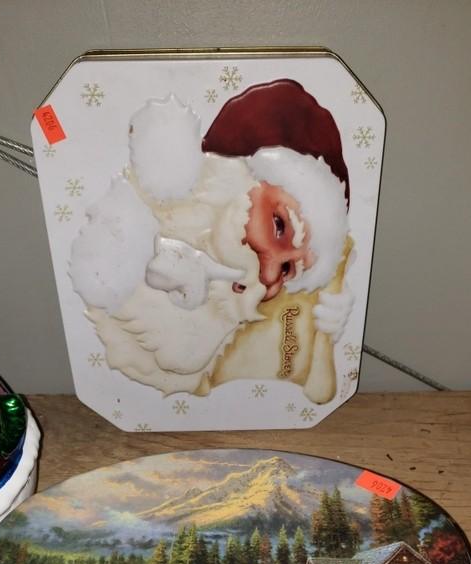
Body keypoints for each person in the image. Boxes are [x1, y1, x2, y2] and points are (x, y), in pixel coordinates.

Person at [69, 79, 354, 400]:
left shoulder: (231, 311)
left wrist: (328, 334)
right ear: (244, 177)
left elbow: (319, 395)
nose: (269, 274)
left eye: (288, 270)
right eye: (278, 225)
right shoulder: (154, 217)